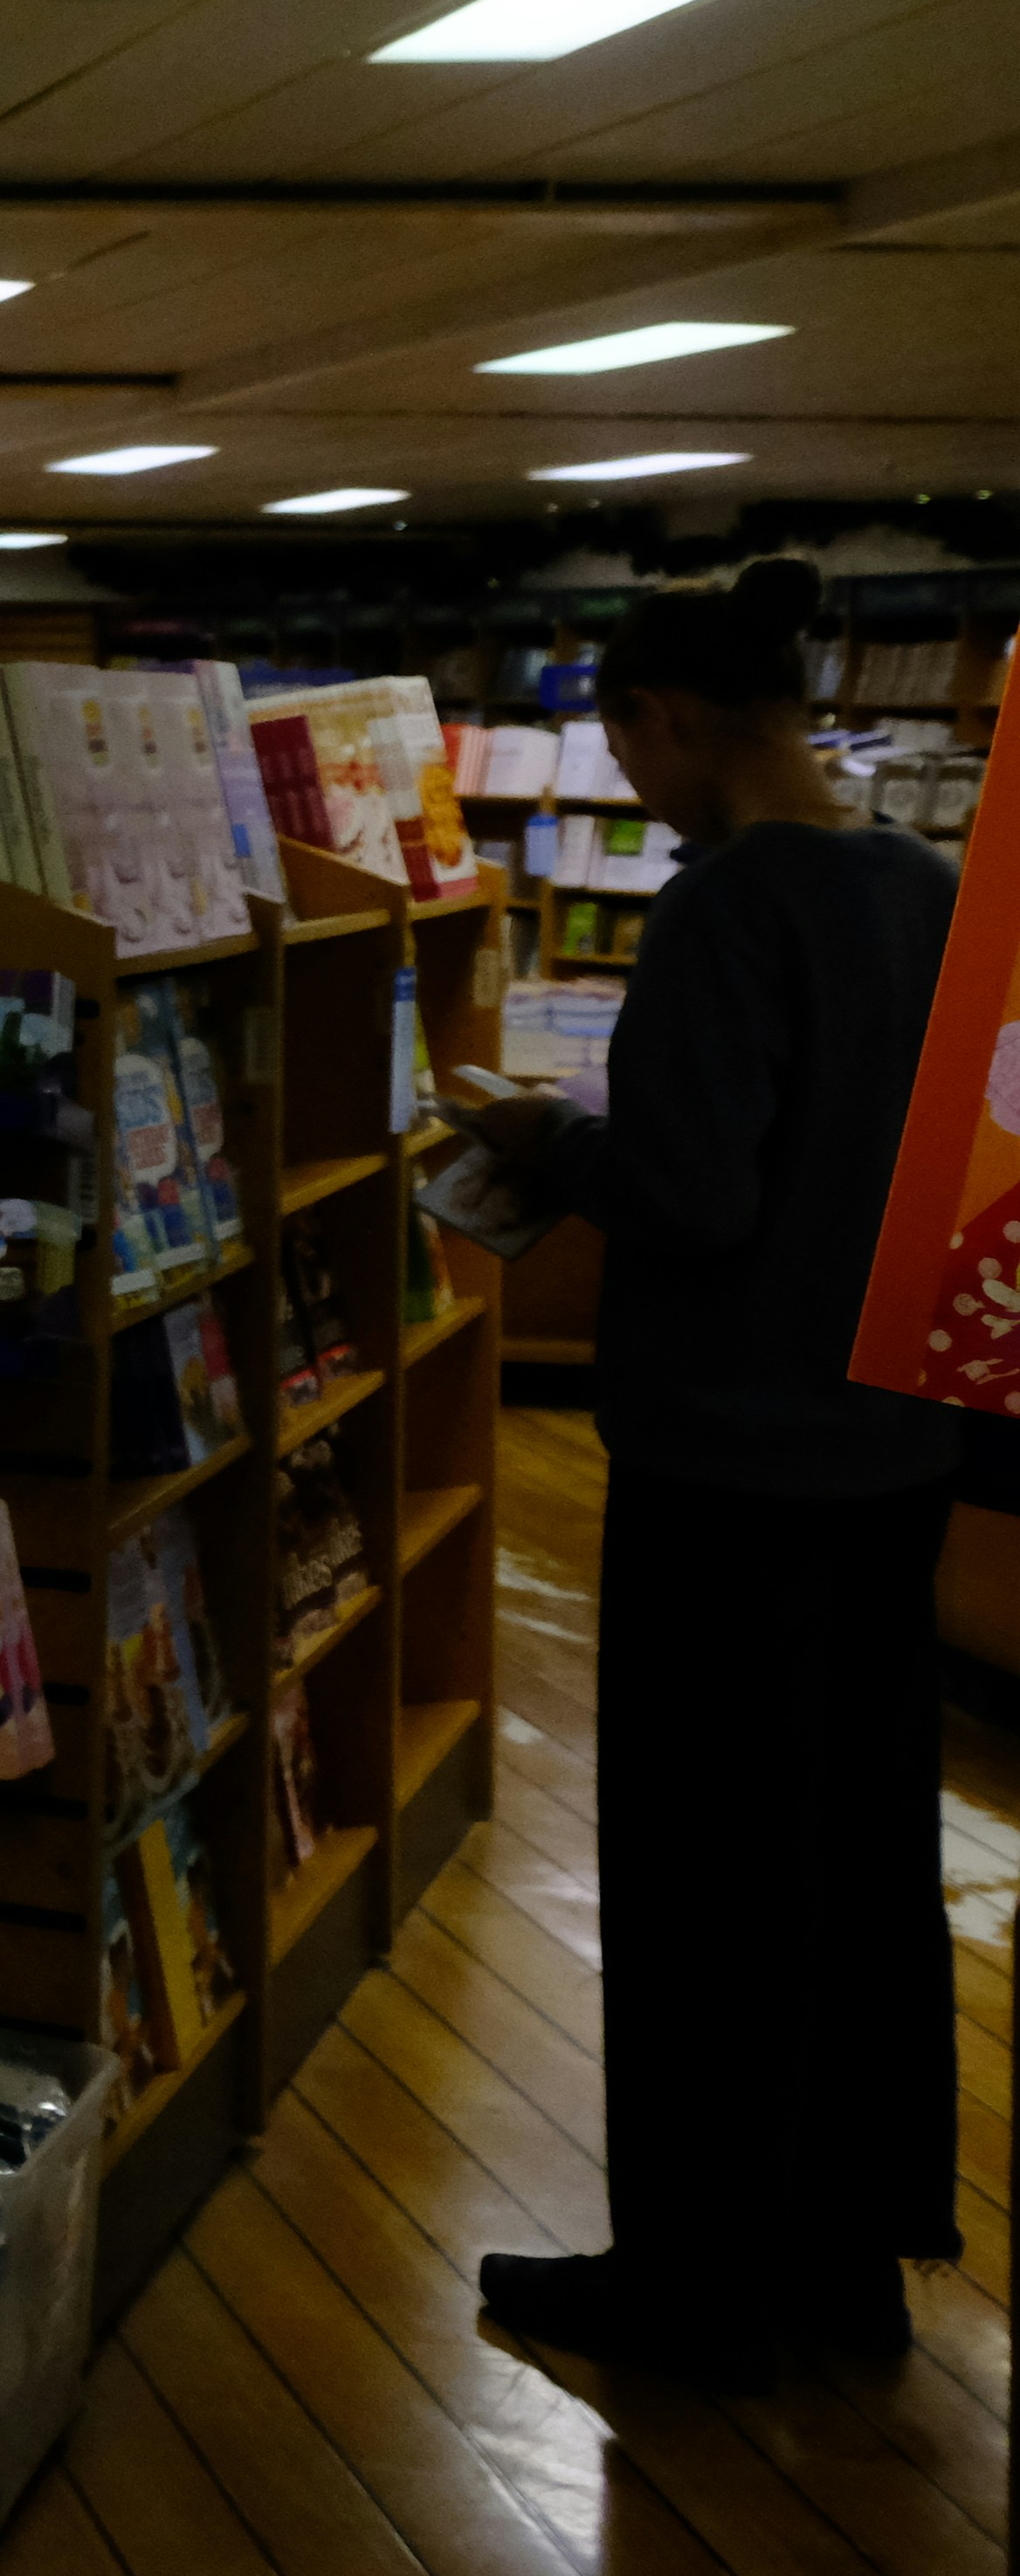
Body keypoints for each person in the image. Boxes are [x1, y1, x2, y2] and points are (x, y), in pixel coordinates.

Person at [445, 555, 959, 2393]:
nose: (638, 790)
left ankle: (691, 2276)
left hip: (729, 1464)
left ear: (659, 719)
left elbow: (691, 1190)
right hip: (893, 1448)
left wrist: (543, 1137)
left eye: (626, 750)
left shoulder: (727, 908)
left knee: (705, 1874)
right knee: (860, 1856)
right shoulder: (932, 888)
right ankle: (847, 2256)